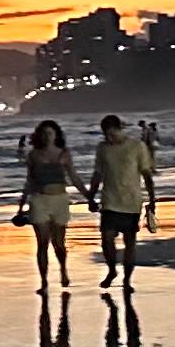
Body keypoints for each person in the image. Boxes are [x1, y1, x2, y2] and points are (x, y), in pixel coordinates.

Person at [90, 112, 155, 280]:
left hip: (131, 200)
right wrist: (91, 196)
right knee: (106, 238)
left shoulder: (137, 146)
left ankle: (127, 279)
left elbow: (147, 174)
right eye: (106, 135)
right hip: (110, 200)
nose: (109, 138)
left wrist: (152, 200)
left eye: (111, 134)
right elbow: (97, 174)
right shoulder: (102, 148)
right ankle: (112, 269)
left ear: (119, 129)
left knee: (130, 241)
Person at [20, 118, 78, 290]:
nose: (47, 136)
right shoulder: (33, 155)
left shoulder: (64, 153)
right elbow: (29, 180)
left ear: (56, 135)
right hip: (39, 199)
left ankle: (63, 270)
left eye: (50, 133)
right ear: (39, 136)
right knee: (42, 242)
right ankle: (44, 281)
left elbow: (73, 177)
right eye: (44, 134)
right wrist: (21, 204)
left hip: (60, 199)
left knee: (59, 244)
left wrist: (89, 196)